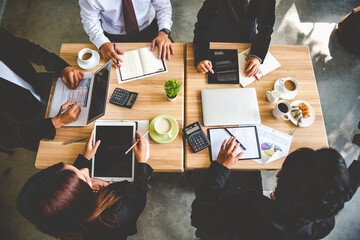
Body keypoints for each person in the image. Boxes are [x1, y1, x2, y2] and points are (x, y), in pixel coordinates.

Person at [191, 137, 360, 240]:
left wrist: (221, 168)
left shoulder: (242, 203)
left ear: (279, 173)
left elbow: (199, 216)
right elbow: (339, 194)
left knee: (203, 173)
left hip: (229, 231)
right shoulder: (324, 223)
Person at [17, 130, 152, 240]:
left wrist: (85, 159)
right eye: (84, 177)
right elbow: (139, 197)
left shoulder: (55, 220)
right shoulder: (118, 213)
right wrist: (142, 162)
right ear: (81, 199)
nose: (86, 170)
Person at [0, 27, 84, 121]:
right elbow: (8, 134)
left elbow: (25, 48)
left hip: (39, 85)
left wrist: (62, 67)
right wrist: (56, 123)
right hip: (25, 123)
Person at [79, 0, 174, 68]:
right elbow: (90, 21)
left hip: (150, 30)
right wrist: (102, 44)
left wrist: (164, 33)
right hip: (114, 38)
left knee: (171, 64)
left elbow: (163, 7)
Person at [193, 0, 275, 76]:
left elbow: (266, 28)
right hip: (218, 39)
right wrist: (202, 56)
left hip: (247, 40)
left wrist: (257, 56)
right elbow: (202, 25)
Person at [0, 102, 80, 151]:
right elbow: (10, 138)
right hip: (36, 131)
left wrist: (61, 73)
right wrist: (56, 122)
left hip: (48, 93)